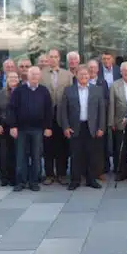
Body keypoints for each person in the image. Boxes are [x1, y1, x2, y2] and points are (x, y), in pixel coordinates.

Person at [60, 65, 106, 190]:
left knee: (92, 154)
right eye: (81, 74)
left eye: (86, 74)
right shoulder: (68, 90)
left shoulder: (97, 90)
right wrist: (66, 127)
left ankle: (91, 179)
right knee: (76, 154)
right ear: (76, 75)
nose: (84, 76)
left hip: (91, 127)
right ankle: (75, 180)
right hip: (75, 127)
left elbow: (102, 110)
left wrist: (101, 127)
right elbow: (63, 111)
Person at [9, 66, 53, 192]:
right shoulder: (19, 90)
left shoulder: (44, 91)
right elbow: (11, 109)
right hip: (21, 129)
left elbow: (48, 110)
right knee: (21, 156)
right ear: (27, 76)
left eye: (37, 74)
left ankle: (34, 181)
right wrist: (13, 126)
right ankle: (21, 182)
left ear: (40, 76)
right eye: (32, 74)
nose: (34, 76)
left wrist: (48, 127)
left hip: (38, 129)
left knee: (36, 156)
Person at [40, 49, 72, 185]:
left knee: (62, 146)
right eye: (51, 57)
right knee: (47, 146)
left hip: (62, 114)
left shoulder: (68, 75)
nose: (53, 59)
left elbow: (71, 96)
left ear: (59, 59)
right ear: (48, 59)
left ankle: (62, 173)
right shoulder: (41, 75)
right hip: (46, 115)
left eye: (55, 57)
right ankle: (49, 174)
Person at [0, 71, 19, 187]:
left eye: (15, 77)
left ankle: (13, 177)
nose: (13, 79)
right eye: (10, 77)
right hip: (3, 126)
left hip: (18, 127)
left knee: (15, 153)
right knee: (3, 153)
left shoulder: (22, 92)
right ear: (6, 79)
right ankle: (4, 177)